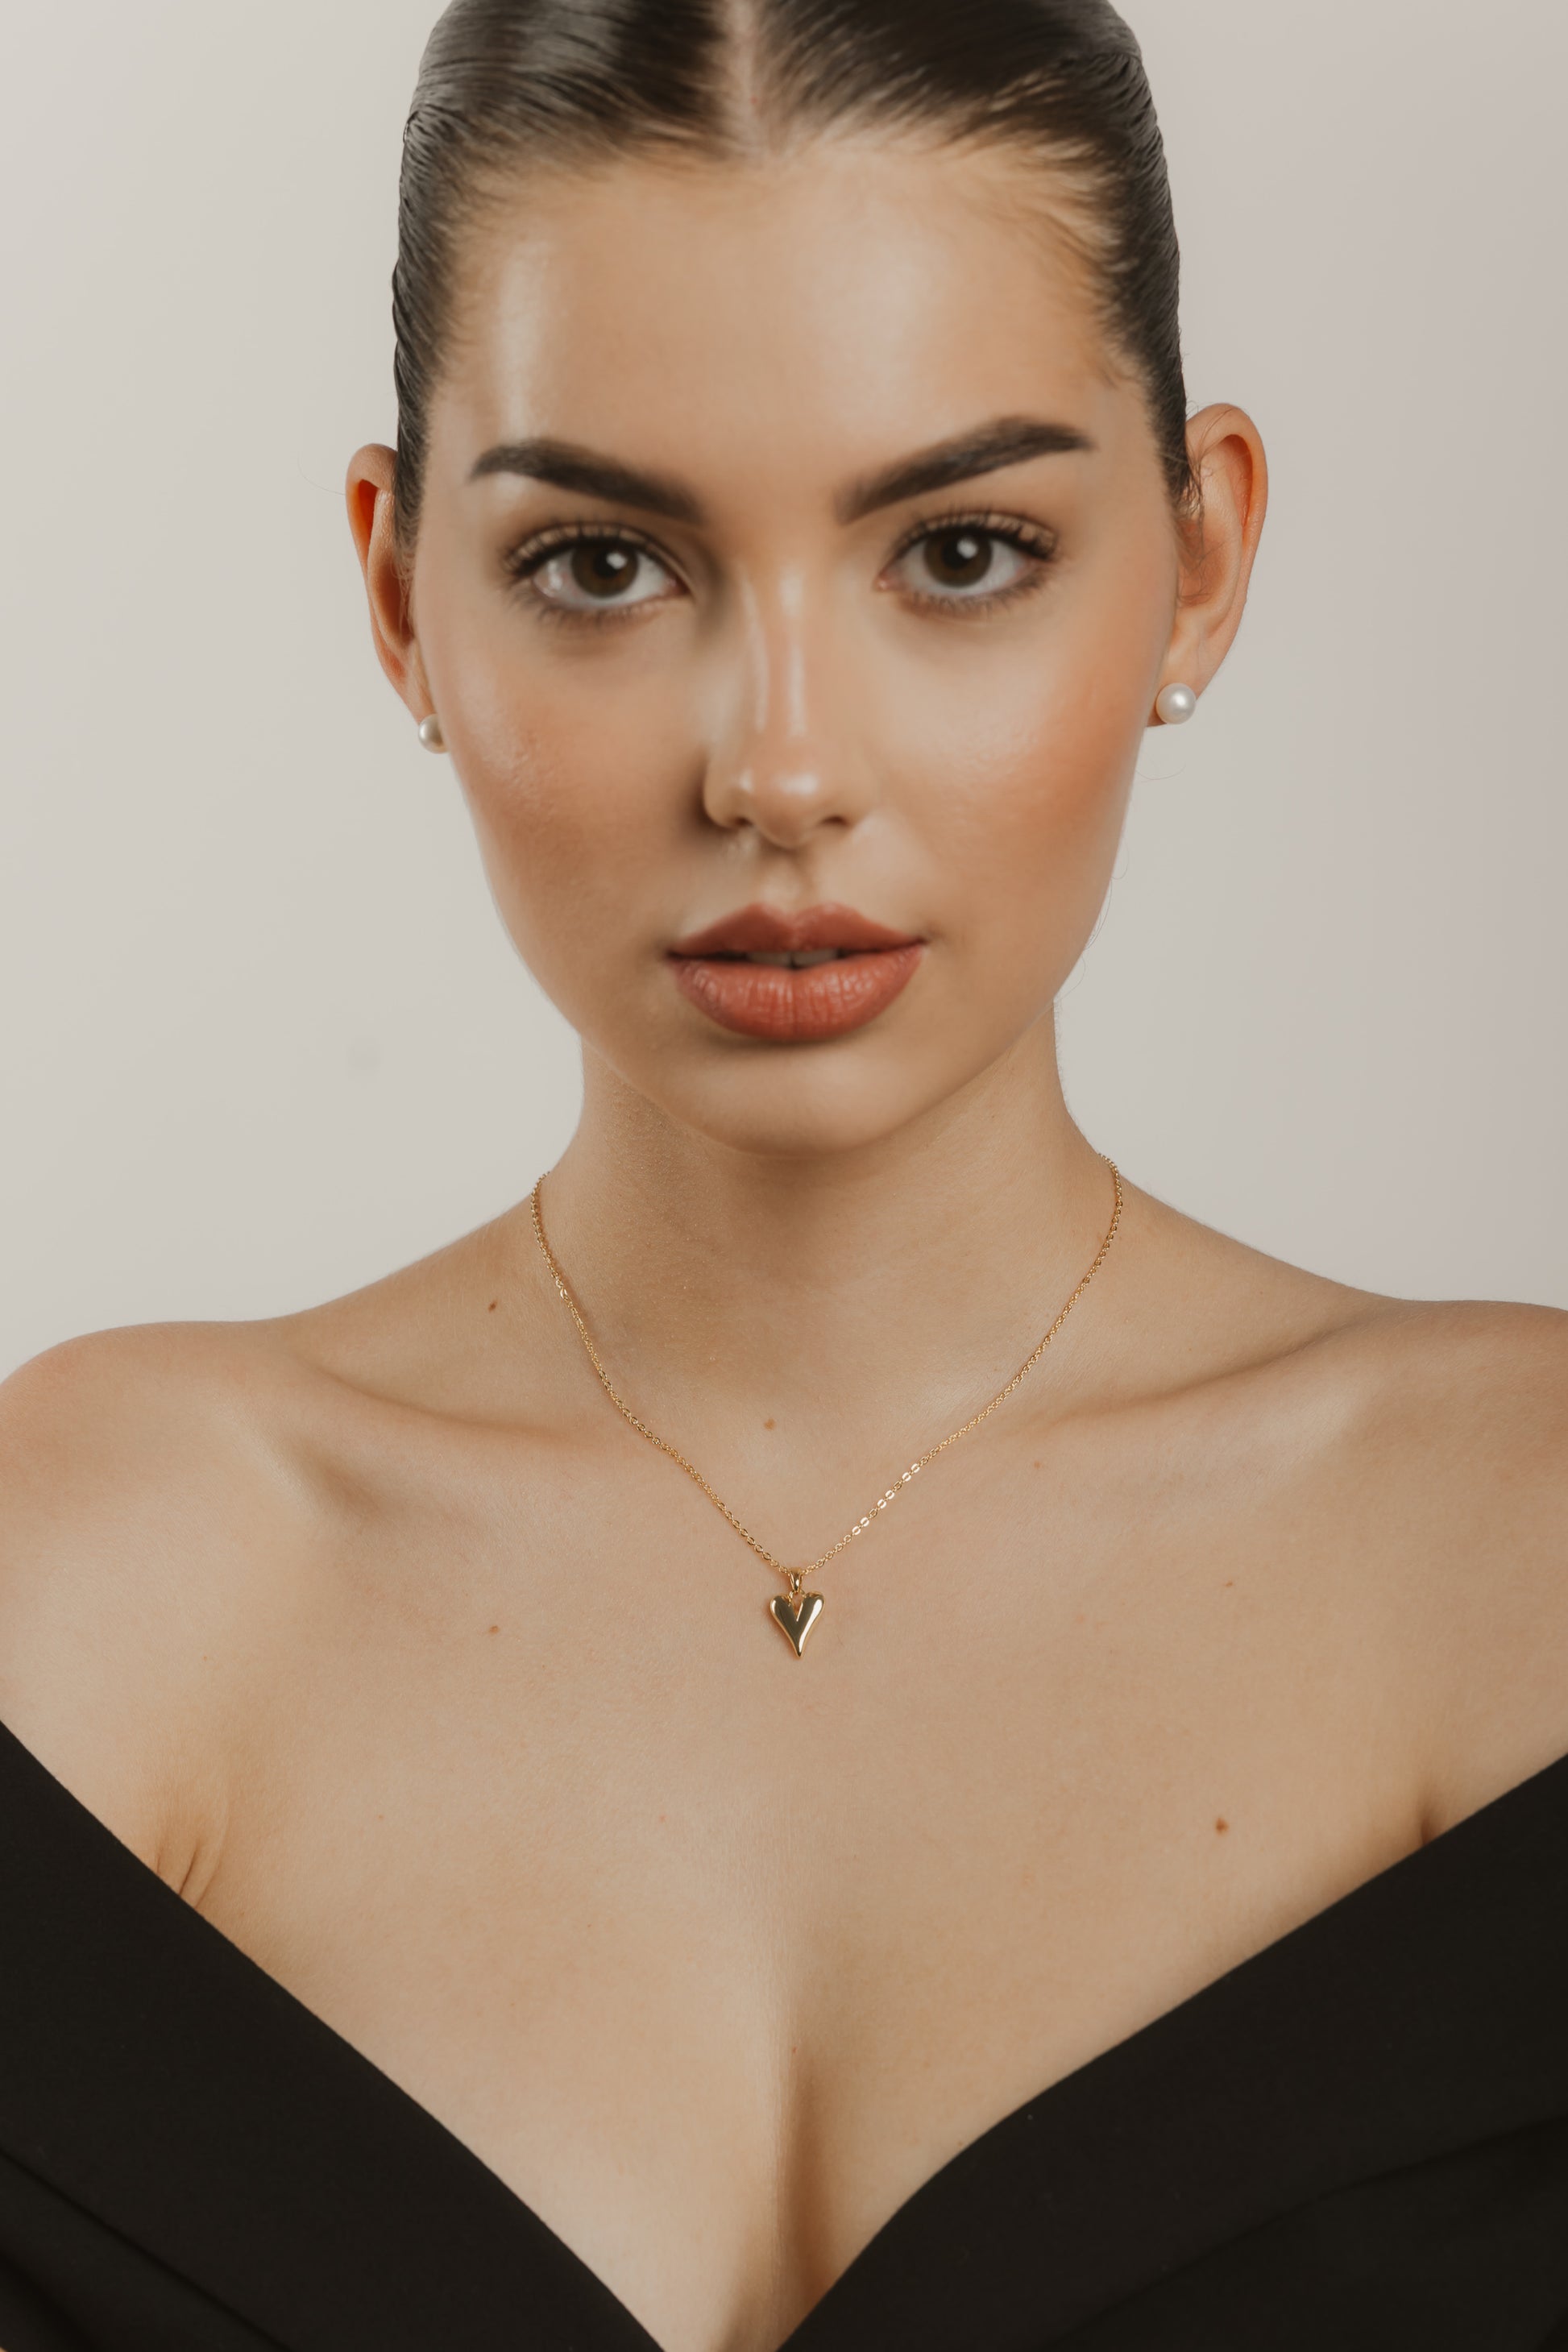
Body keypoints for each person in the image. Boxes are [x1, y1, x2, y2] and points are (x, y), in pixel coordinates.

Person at [1, 2, 1565, 2346]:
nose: (783, 767)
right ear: (399, 591)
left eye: (961, 550)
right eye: (602, 565)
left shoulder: (1522, 1551)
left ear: (1202, 554)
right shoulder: (97, 1581)